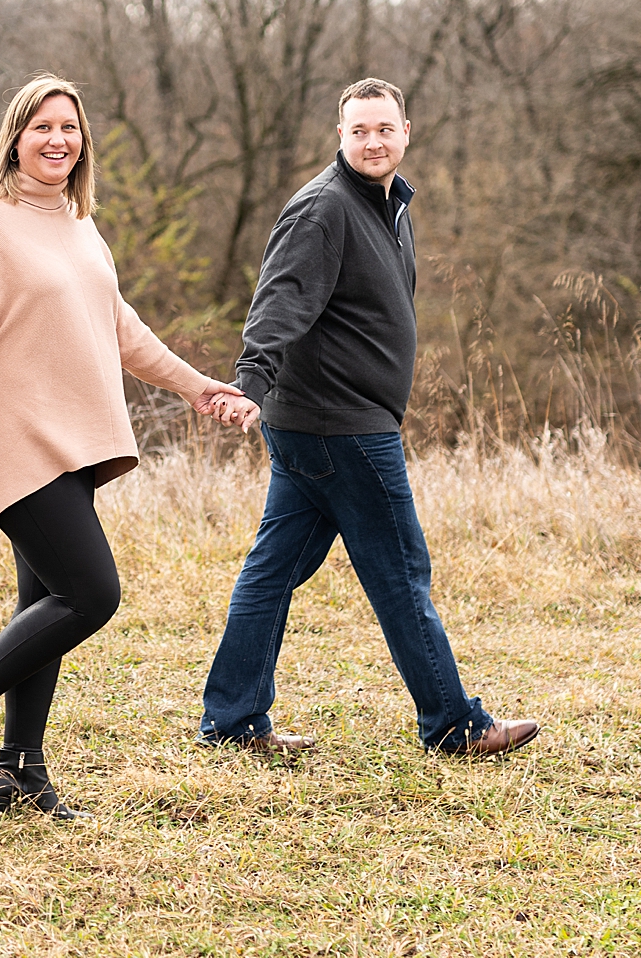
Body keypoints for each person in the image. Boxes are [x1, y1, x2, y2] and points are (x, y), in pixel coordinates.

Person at [0, 75, 249, 817]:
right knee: (90, 594)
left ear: (83, 142)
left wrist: (196, 387)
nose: (58, 140)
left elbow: (120, 328)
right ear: (14, 139)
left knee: (45, 602)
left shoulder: (80, 223)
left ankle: (19, 773)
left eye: (70, 128)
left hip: (73, 441)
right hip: (14, 440)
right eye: (42, 127)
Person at [198, 78, 539, 756]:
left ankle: (232, 720)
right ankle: (453, 725)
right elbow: (279, 303)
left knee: (273, 570)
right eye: (359, 131)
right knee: (400, 571)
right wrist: (250, 382)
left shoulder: (389, 204)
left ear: (406, 131)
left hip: (322, 424)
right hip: (341, 426)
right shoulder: (324, 210)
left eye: (384, 129)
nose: (373, 142)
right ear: (341, 136)